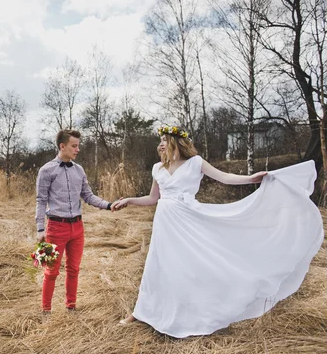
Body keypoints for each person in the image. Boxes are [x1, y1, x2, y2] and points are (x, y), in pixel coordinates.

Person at [111, 126, 324, 338]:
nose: (161, 144)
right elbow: (153, 198)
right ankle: (140, 312)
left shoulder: (195, 163)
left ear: (176, 142)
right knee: (157, 265)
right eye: (160, 140)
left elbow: (224, 177)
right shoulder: (158, 168)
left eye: (165, 140)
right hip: (165, 223)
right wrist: (129, 200)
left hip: (188, 220)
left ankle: (197, 309)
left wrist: (251, 179)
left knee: (190, 266)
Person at [35, 129, 116, 313]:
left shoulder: (79, 170)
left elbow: (88, 196)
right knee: (51, 271)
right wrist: (40, 229)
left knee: (74, 269)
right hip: (55, 227)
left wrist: (109, 205)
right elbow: (41, 200)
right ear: (62, 146)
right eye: (74, 146)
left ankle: (71, 306)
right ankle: (45, 310)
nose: (77, 149)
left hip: (77, 228)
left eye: (78, 145)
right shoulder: (46, 170)